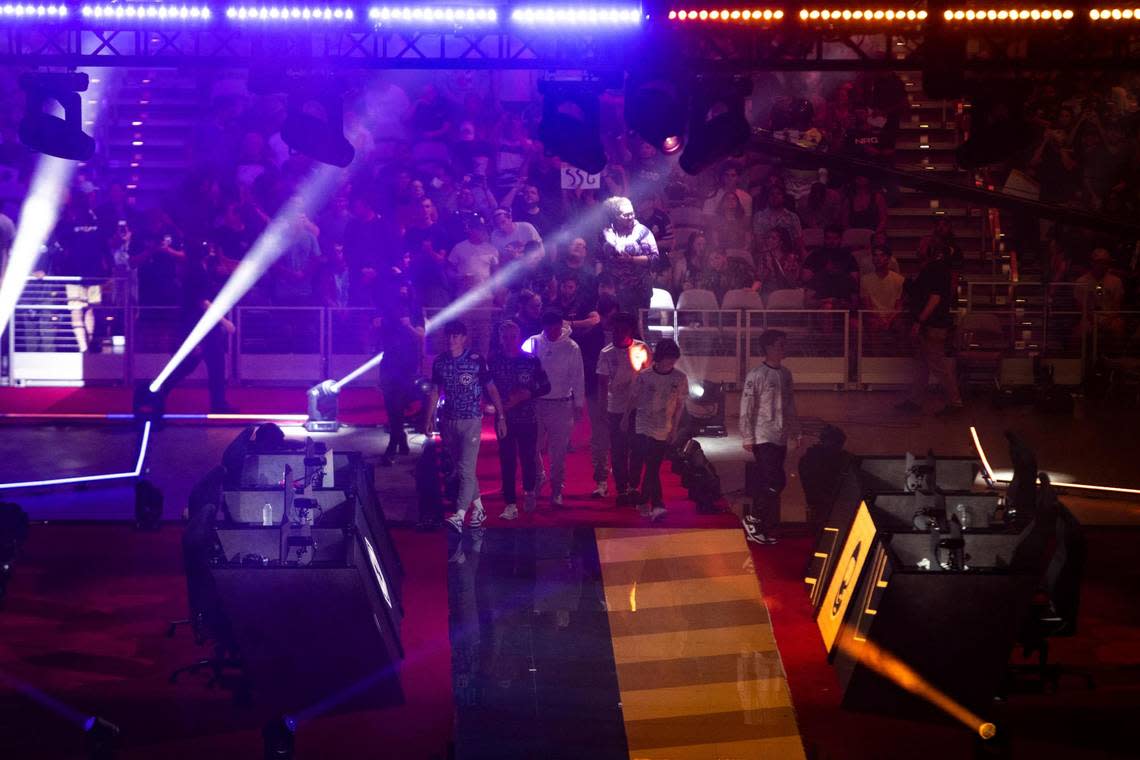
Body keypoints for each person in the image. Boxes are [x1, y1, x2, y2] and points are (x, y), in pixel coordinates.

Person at [426, 321, 506, 546]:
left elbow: (491, 388)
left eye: (456, 336)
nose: (451, 340)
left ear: (463, 338)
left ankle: (460, 516)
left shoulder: (476, 361)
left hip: (472, 420)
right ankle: (479, 509)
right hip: (448, 421)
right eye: (449, 336)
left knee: (466, 468)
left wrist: (501, 415)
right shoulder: (440, 362)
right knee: (461, 469)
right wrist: (429, 418)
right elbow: (434, 391)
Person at [740, 330, 799, 545]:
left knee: (773, 482)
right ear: (768, 348)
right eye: (779, 345)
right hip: (762, 435)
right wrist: (747, 435)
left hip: (780, 435)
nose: (783, 349)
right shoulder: (756, 375)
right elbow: (747, 407)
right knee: (774, 480)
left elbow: (790, 404)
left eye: (785, 344)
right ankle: (753, 519)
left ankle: (762, 526)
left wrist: (795, 430)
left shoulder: (785, 374)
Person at [163, 239, 235, 413]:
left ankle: (157, 392)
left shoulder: (197, 269)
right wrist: (225, 322)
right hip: (199, 325)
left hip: (198, 324)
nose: (211, 251)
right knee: (205, 363)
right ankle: (218, 404)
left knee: (195, 363)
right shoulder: (197, 272)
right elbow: (202, 302)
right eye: (208, 249)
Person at [489, 319, 551, 520]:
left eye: (513, 337)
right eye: (505, 337)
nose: (509, 341)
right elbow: (486, 389)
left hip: (527, 418)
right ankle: (509, 502)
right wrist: (496, 406)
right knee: (506, 460)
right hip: (503, 419)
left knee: (528, 458)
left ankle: (529, 492)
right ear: (500, 339)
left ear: (519, 337)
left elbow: (545, 386)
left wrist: (527, 394)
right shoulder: (494, 361)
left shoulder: (531, 360)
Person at [896, 241, 962, 415]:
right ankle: (915, 400)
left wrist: (919, 321)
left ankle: (955, 402)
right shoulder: (933, 269)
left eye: (922, 245)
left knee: (937, 365)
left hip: (932, 325)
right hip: (930, 324)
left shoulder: (935, 269)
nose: (918, 248)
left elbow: (935, 298)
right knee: (922, 364)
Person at [529, 310, 586, 507]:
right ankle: (538, 476)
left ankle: (556, 489)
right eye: (547, 328)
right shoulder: (534, 342)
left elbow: (578, 377)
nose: (551, 332)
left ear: (560, 326)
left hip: (561, 404)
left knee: (558, 452)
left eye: (554, 328)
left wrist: (579, 404)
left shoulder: (571, 347)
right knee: (532, 447)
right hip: (537, 403)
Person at [597, 312, 652, 506]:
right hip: (616, 408)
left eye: (623, 330)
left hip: (638, 407)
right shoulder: (607, 353)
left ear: (630, 331)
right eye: (615, 330)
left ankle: (633, 486)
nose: (618, 334)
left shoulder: (641, 348)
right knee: (618, 449)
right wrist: (602, 409)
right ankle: (621, 488)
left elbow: (649, 377)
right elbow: (602, 383)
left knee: (637, 448)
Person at [630, 338, 687, 521]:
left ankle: (645, 499)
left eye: (673, 359)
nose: (671, 363)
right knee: (651, 464)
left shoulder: (679, 378)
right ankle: (656, 503)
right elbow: (634, 398)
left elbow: (679, 406)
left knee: (653, 465)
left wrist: (674, 429)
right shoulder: (645, 376)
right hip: (643, 423)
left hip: (664, 425)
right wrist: (625, 419)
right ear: (659, 358)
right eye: (668, 359)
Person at [378, 277, 425, 466]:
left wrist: (409, 326)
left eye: (405, 288)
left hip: (407, 362)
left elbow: (421, 335)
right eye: (400, 289)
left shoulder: (415, 310)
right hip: (389, 360)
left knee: (400, 401)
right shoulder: (388, 310)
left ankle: (395, 440)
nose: (403, 292)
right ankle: (398, 438)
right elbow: (379, 335)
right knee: (390, 402)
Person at [600, 196, 660, 315]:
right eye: (626, 215)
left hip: (639, 290)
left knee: (638, 327)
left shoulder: (642, 232)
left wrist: (632, 259)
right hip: (614, 289)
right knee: (617, 326)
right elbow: (599, 258)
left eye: (632, 213)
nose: (631, 217)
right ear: (615, 216)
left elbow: (654, 258)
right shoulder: (607, 232)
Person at [448, 213, 499, 296]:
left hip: (485, 295)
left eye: (484, 229)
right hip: (463, 296)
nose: (483, 232)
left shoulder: (492, 250)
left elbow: (496, 272)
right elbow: (449, 270)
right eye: (479, 229)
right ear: (471, 230)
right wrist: (459, 277)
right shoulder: (459, 247)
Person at [860, 246, 906, 332]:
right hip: (874, 317)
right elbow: (867, 306)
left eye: (882, 255)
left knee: (899, 324)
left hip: (892, 317)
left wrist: (888, 320)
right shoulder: (865, 279)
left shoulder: (899, 279)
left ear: (888, 259)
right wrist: (880, 320)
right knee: (874, 324)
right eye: (875, 255)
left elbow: (899, 306)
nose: (878, 258)